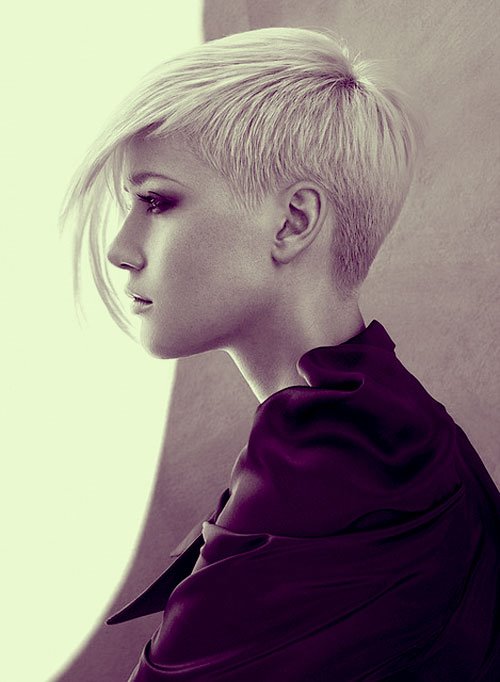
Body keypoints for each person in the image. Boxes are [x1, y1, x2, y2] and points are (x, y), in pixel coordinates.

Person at [60, 26, 500, 681]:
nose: (121, 249)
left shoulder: (333, 471)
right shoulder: (394, 427)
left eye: (156, 200)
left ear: (293, 222)